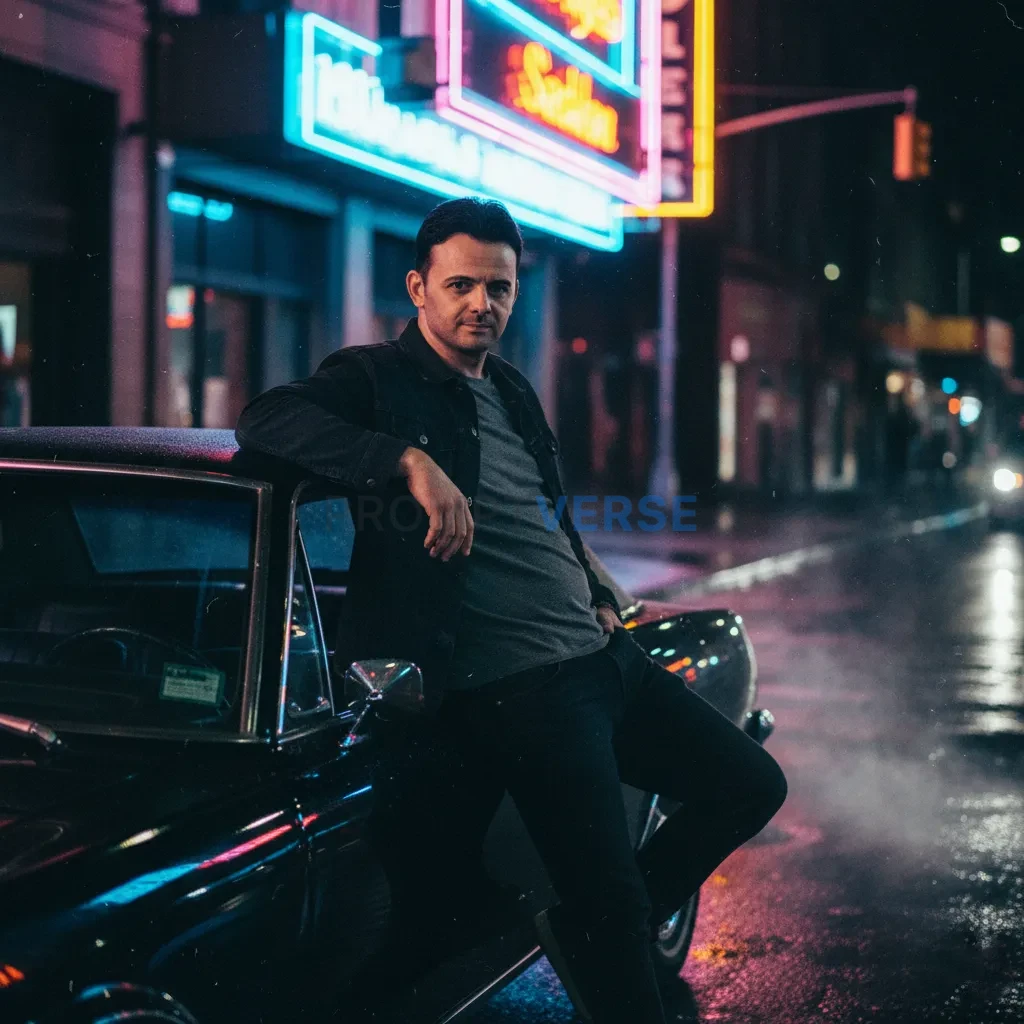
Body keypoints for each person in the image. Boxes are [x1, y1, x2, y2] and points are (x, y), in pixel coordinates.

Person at [235, 198, 787, 1023]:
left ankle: (600, 924)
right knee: (614, 915)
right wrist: (404, 460)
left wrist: (597, 587)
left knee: (750, 783)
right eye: (460, 285)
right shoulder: (374, 379)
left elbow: (542, 511)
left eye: (498, 289)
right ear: (418, 287)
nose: (480, 305)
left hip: (603, 661)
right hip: (524, 694)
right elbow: (264, 420)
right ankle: (609, 932)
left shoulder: (513, 387)